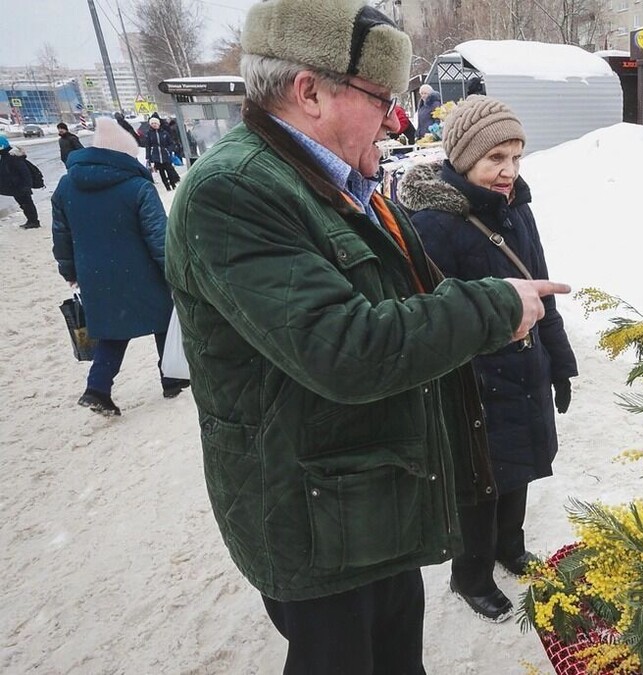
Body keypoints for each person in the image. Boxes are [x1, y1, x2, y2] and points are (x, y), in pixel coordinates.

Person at [163, 1, 568, 671]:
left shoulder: (335, 179)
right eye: (381, 97)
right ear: (310, 92)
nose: (392, 115)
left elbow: (409, 292)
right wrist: (493, 308)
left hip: (371, 498)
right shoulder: (235, 191)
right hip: (317, 518)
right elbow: (347, 347)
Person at [399, 96, 578, 622]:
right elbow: (431, 315)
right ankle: (469, 574)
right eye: (496, 157)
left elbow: (540, 285)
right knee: (478, 481)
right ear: (463, 156)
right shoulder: (433, 223)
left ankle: (509, 546)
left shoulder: (517, 207)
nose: (509, 171)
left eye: (517, 157)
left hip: (524, 370)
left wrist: (560, 362)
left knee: (517, 466)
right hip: (471, 381)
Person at [50, 118, 189, 415]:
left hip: (94, 273)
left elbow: (61, 233)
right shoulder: (136, 186)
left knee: (112, 329)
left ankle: (97, 388)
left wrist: (69, 270)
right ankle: (173, 379)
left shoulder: (66, 186)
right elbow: (158, 237)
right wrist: (174, 271)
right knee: (164, 319)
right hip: (141, 270)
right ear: (125, 154)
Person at [0, 135, 40, 229]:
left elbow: (25, 172)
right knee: (23, 204)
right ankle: (31, 220)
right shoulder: (5, 156)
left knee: (27, 204)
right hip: (15, 186)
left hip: (21, 186)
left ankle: (34, 222)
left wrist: (26, 186)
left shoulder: (12, 157)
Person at [144, 116, 181, 190]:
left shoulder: (164, 133)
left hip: (165, 155)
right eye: (152, 123)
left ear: (159, 124)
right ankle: (167, 186)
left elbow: (171, 143)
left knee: (169, 170)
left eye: (155, 123)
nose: (154, 125)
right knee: (161, 172)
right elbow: (147, 146)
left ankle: (173, 184)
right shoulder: (149, 134)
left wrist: (169, 150)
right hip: (156, 156)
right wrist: (148, 157)